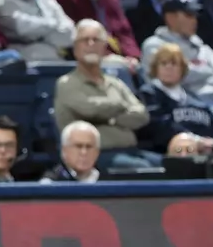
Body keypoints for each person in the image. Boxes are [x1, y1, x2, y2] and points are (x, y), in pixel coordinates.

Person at [55, 20, 151, 152]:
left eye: (96, 40)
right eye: (85, 40)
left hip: (131, 149)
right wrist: (121, 106)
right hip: (91, 154)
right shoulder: (66, 83)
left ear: (104, 47)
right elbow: (89, 109)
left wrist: (109, 119)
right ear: (75, 48)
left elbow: (142, 115)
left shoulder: (116, 83)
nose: (91, 44)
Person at [139, 43, 213, 155]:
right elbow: (156, 127)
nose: (169, 67)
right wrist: (194, 140)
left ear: (182, 68)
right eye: (164, 63)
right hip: (165, 153)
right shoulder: (148, 95)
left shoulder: (196, 101)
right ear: (155, 68)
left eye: (174, 63)